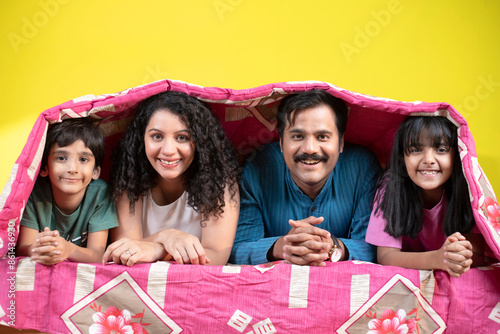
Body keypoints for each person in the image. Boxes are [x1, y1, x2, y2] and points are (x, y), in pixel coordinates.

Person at [229, 89, 382, 266]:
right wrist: (281, 247)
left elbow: (377, 250)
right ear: (281, 142)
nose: (310, 148)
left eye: (322, 137)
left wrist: (332, 247)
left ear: (340, 143)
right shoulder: (256, 167)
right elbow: (237, 248)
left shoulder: (363, 167)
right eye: (298, 136)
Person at [102, 91, 241, 266]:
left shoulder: (219, 181)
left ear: (199, 142)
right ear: (141, 139)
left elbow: (216, 258)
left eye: (182, 138)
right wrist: (166, 236)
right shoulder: (129, 179)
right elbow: (125, 252)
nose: (168, 150)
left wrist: (160, 249)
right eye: (157, 136)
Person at [365, 116, 493, 277]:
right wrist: (438, 259)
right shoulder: (390, 187)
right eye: (416, 149)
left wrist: (458, 256)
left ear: (457, 157)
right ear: (402, 158)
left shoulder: (469, 189)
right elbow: (386, 257)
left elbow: (477, 254)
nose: (428, 160)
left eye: (441, 149)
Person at [16, 118, 119, 265]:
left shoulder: (100, 194)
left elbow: (97, 255)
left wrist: (68, 249)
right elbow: (22, 248)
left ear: (96, 171)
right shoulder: (34, 192)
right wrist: (38, 249)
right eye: (61, 158)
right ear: (44, 167)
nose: (72, 169)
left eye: (83, 159)